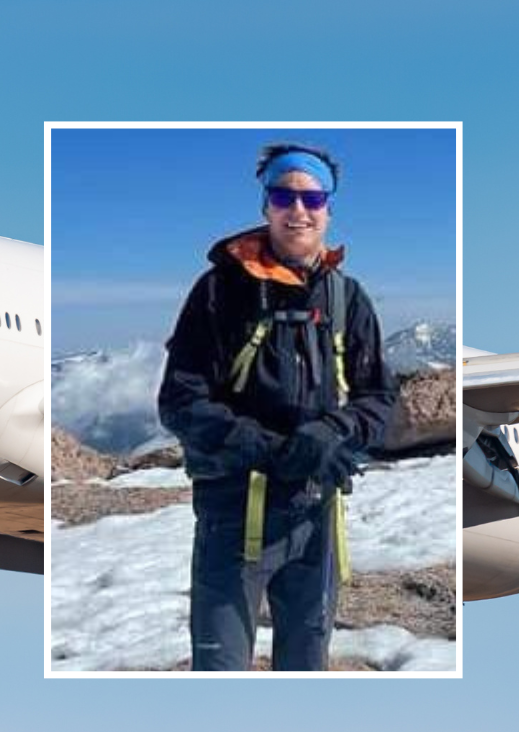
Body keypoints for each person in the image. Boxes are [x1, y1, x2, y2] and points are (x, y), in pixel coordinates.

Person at [157, 143, 397, 671]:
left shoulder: (346, 299)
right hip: (234, 512)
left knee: (305, 674)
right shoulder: (221, 292)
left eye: (312, 197)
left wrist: (333, 432)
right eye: (284, 195)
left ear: (328, 207)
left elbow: (380, 400)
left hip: (317, 515)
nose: (299, 210)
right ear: (266, 205)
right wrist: (277, 449)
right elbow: (180, 401)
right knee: (221, 673)